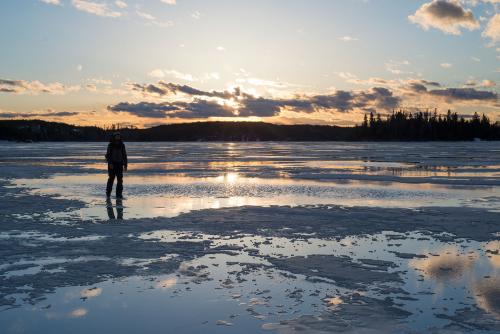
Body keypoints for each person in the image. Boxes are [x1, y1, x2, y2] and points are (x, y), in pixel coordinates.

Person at [105, 132, 128, 198]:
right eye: (116, 136)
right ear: (114, 136)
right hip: (112, 165)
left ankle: (119, 194)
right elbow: (108, 155)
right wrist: (110, 163)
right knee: (111, 179)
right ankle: (108, 193)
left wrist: (125, 165)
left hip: (119, 164)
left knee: (120, 180)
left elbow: (124, 155)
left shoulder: (122, 145)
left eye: (119, 136)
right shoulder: (110, 145)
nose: (118, 137)